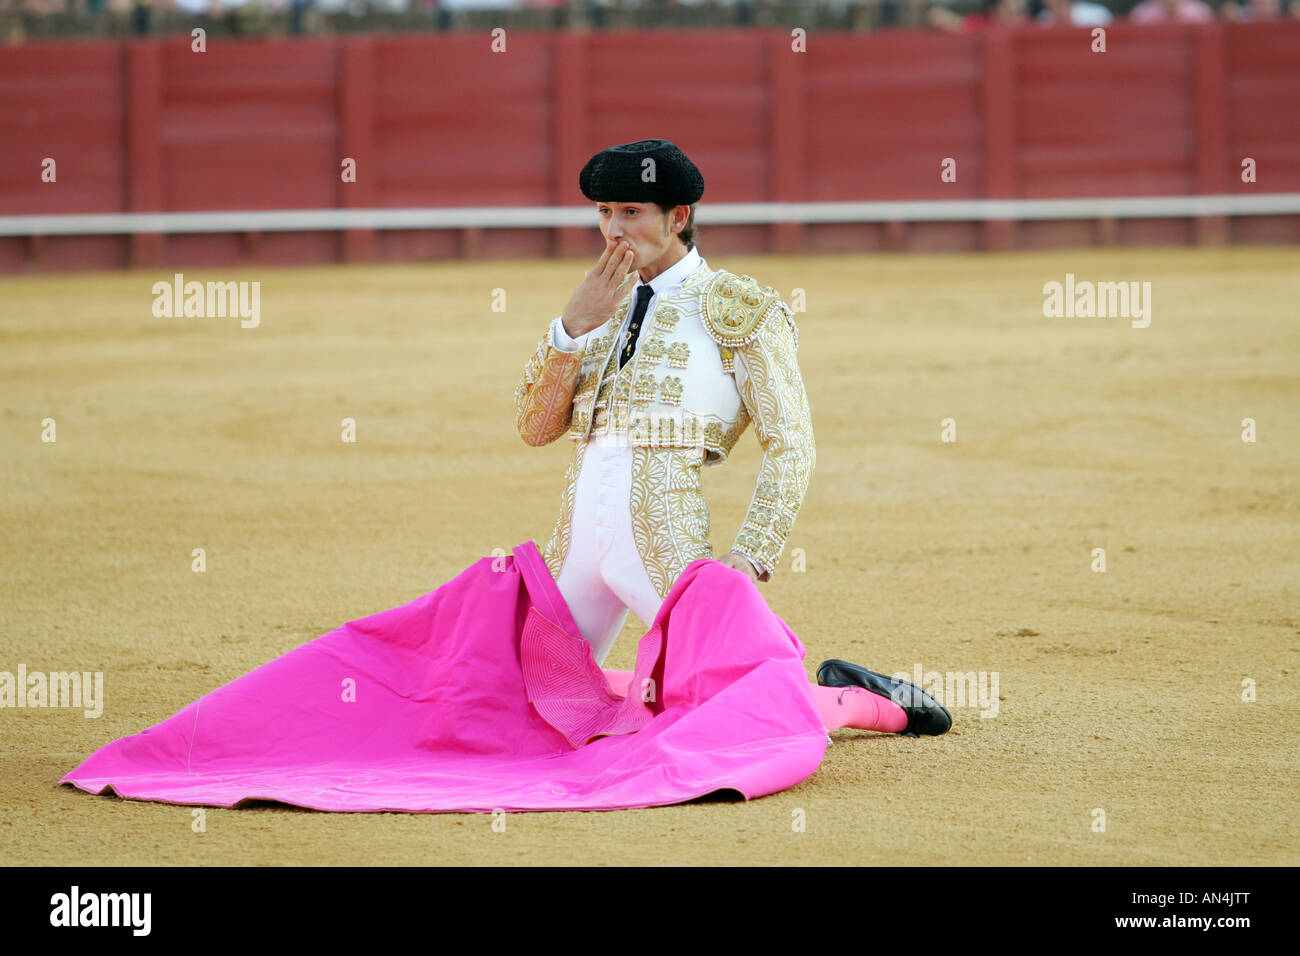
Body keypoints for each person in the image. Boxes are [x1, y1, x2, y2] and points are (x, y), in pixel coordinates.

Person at [514, 138, 952, 738]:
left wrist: (752, 552)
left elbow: (792, 441)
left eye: (632, 212)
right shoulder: (598, 306)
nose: (614, 229)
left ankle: (860, 701)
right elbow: (536, 430)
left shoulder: (740, 309)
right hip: (579, 529)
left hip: (662, 529)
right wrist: (569, 329)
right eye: (605, 212)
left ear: (679, 217)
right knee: (528, 695)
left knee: (735, 711)